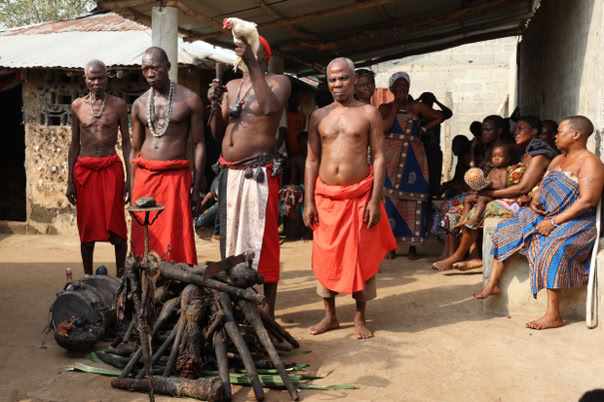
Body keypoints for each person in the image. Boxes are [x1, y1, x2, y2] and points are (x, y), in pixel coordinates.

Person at [475, 116, 603, 330]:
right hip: (548, 215)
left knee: (552, 248)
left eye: (560, 131)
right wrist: (535, 199)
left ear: (576, 134)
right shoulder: (557, 159)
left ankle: (554, 315)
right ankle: (493, 284)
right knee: (507, 227)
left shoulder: (590, 163)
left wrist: (554, 222)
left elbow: (587, 201)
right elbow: (543, 184)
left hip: (577, 221)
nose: (555, 136)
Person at [304, 57, 396, 339]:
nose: (337, 84)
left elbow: (378, 158)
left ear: (354, 80)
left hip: (360, 196)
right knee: (326, 257)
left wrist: (375, 199)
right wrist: (309, 201)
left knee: (361, 256)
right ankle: (330, 316)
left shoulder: (368, 113)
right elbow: (311, 160)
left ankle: (359, 317)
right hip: (326, 197)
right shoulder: (318, 116)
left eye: (343, 78)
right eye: (332, 79)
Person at [208, 36, 291, 319]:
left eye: (251, 50)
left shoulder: (279, 82)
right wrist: (214, 103)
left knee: (264, 239)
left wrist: (253, 64)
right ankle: (236, 302)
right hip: (230, 173)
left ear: (264, 56)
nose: (242, 52)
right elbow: (216, 131)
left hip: (258, 173)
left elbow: (268, 107)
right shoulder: (232, 85)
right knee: (231, 239)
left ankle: (268, 309)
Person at [433, 115, 556, 271]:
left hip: (522, 202)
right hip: (507, 196)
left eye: (521, 129)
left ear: (533, 131)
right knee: (455, 211)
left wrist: (489, 194)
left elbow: (522, 188)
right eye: (515, 129)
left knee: (478, 210)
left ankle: (458, 255)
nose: (516, 132)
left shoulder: (538, 156)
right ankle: (473, 255)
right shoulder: (523, 153)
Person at [130, 47, 205, 265]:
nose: (150, 73)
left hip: (175, 178)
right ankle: (144, 279)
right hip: (145, 179)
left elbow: (199, 144)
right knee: (144, 233)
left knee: (175, 232)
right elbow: (134, 149)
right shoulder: (139, 104)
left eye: (155, 68)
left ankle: (177, 280)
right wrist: (132, 187)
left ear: (168, 66)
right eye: (145, 69)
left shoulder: (190, 100)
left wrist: (196, 188)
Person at [66, 59, 131, 276]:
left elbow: (127, 144)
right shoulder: (77, 106)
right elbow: (74, 145)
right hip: (84, 172)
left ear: (107, 78)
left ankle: (121, 279)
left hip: (111, 170)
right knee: (87, 230)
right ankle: (88, 277)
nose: (97, 82)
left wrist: (130, 180)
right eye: (92, 78)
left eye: (101, 78)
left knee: (118, 230)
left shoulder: (119, 106)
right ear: (85, 79)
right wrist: (70, 181)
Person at [378, 72, 445, 260]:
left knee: (416, 201)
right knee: (390, 201)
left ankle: (413, 247)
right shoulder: (384, 108)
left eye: (404, 85)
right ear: (391, 88)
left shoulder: (416, 107)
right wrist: (395, 107)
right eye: (398, 85)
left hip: (413, 159)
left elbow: (440, 116)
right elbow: (384, 128)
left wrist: (423, 129)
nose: (401, 88)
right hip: (391, 159)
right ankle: (390, 246)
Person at [456, 143, 512, 229]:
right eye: (494, 156)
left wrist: (490, 185)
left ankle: (475, 218)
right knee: (467, 198)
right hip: (486, 194)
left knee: (482, 199)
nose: (496, 158)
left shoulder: (503, 171)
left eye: (500, 156)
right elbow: (486, 181)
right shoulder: (492, 170)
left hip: (494, 197)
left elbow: (502, 186)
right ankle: (463, 219)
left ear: (507, 159)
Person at [417, 91, 453, 197]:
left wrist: (436, 101)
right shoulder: (417, 114)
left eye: (430, 101)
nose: (429, 103)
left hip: (434, 148)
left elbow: (449, 113)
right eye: (426, 101)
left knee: (434, 174)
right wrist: (418, 100)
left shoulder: (436, 114)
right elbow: (408, 108)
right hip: (420, 148)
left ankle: (432, 193)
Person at [285, 90, 307, 185]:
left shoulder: (302, 115)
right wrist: (288, 148)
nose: (296, 102)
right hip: (289, 150)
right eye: (294, 99)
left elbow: (302, 131)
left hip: (301, 150)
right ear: (289, 100)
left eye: (297, 100)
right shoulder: (285, 115)